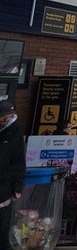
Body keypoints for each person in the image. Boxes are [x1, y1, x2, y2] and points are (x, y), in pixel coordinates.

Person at [0, 101, 25, 250]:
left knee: (2, 226)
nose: (5, 119)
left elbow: (18, 162)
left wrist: (17, 187)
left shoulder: (14, 134)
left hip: (3, 185)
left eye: (8, 116)